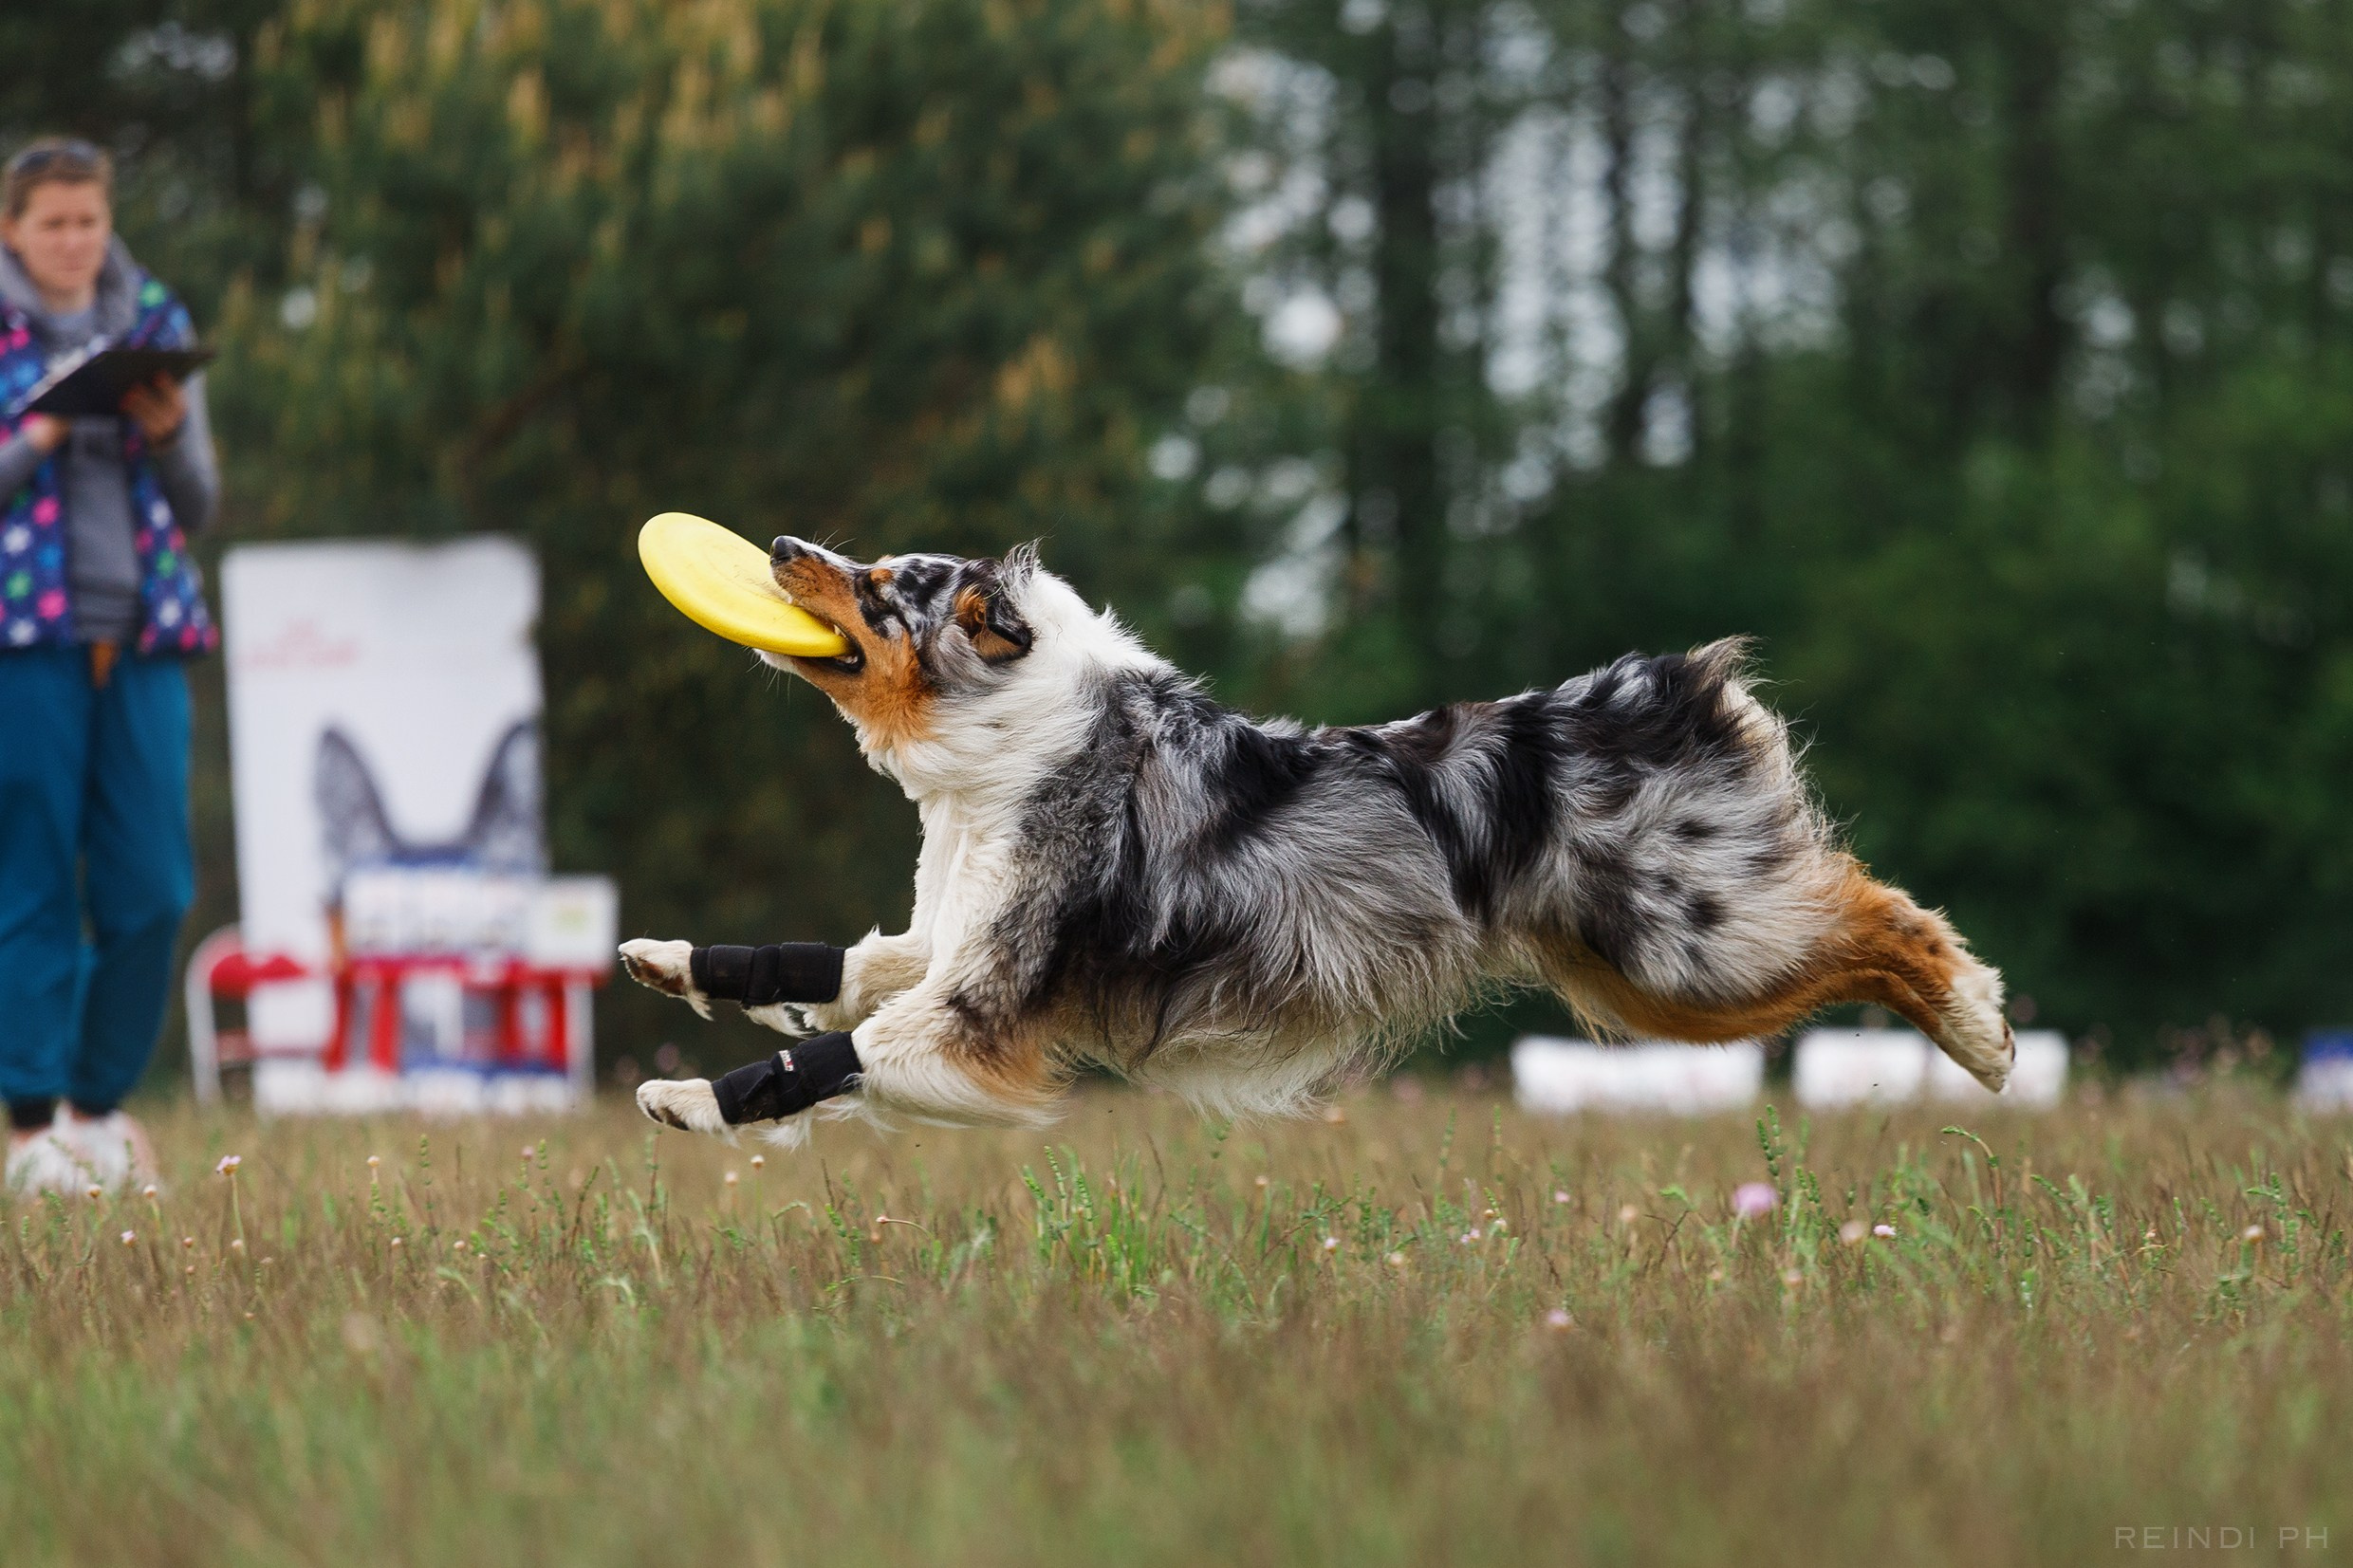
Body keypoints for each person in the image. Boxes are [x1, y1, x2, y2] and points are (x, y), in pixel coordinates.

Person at [0, 138, 219, 1193]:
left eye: (90, 221)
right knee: (33, 877)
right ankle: (28, 1119)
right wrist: (38, 433)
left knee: (152, 887)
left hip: (144, 638)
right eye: (53, 224)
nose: (75, 242)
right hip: (22, 639)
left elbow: (202, 503)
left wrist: (170, 435)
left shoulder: (154, 320)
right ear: (13, 228)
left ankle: (96, 1105)